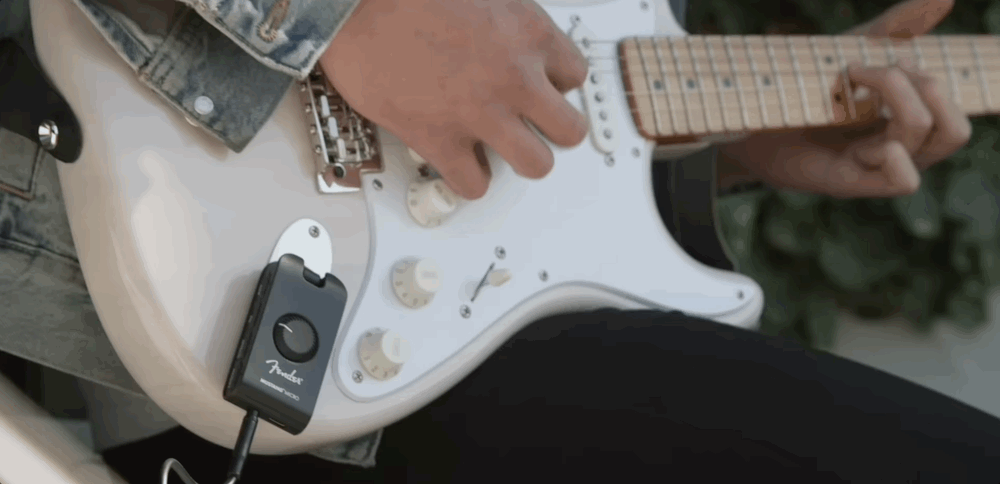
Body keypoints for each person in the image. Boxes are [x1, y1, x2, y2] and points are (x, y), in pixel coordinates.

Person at [4, 0, 998, 481]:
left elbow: (540, 65)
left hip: (417, 334)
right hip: (282, 359)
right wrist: (344, 18)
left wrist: (724, 144)